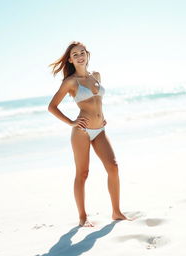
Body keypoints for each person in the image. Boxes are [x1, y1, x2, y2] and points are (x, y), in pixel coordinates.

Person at [48, 41, 127, 227]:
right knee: (82, 173)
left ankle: (116, 212)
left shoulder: (96, 75)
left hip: (100, 130)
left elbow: (97, 102)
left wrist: (102, 117)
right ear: (70, 59)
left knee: (113, 167)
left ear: (87, 54)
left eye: (82, 52)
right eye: (75, 54)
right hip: (81, 132)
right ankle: (83, 217)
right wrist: (71, 122)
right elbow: (52, 107)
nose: (79, 56)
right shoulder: (70, 82)